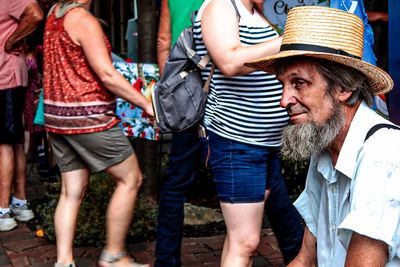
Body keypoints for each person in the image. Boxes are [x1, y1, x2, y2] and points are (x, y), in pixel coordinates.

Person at [246, 6, 399, 266]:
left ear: (344, 88)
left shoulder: (382, 154)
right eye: (282, 84)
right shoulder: (326, 148)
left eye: (299, 83)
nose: (284, 100)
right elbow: (306, 259)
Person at [42, 0, 154, 266]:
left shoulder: (54, 13)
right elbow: (107, 74)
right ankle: (114, 255)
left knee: (72, 191)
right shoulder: (84, 20)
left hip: (58, 116)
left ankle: (64, 262)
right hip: (88, 118)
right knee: (131, 178)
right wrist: (145, 103)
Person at [193, 0, 303, 266]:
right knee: (245, 243)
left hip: (263, 143)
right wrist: (293, 38)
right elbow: (229, 62)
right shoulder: (220, 6)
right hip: (236, 142)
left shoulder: (255, 11)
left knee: (239, 241)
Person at [0, 0, 43, 232]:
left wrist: (12, 40)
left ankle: (3, 210)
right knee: (13, 140)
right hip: (7, 76)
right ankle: (20, 202)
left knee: (5, 142)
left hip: (6, 77)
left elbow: (35, 14)